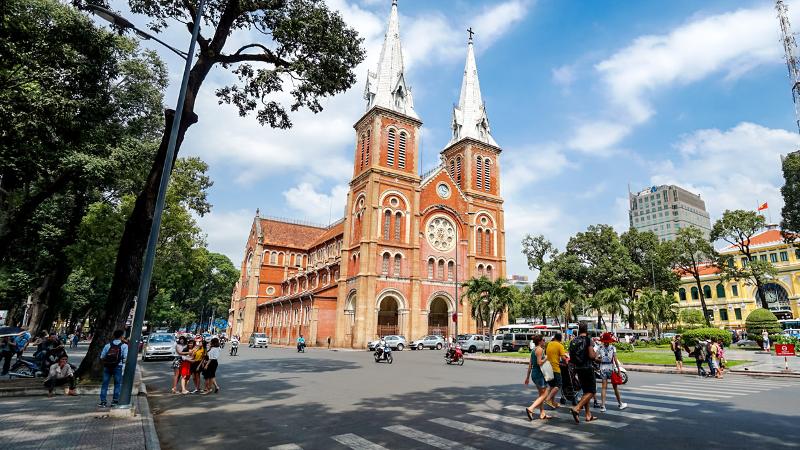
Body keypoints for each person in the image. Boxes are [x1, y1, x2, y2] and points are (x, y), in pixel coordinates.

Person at [569, 322, 598, 424]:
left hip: (578, 369)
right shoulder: (588, 340)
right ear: (586, 330)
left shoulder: (573, 340)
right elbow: (591, 356)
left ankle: (588, 415)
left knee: (586, 391)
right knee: (592, 391)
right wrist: (596, 354)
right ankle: (577, 408)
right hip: (587, 368)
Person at [596, 332, 628, 412]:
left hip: (603, 368)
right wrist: (619, 370)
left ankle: (603, 406)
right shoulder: (613, 348)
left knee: (604, 388)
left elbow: (595, 358)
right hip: (611, 368)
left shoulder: (600, 348)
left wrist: (601, 360)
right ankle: (620, 404)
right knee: (615, 387)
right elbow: (615, 360)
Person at [524, 334, 552, 421]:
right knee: (545, 393)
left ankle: (542, 413)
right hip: (539, 374)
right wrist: (546, 358)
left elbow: (530, 365)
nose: (544, 342)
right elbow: (539, 363)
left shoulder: (533, 350)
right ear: (539, 341)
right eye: (543, 340)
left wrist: (527, 377)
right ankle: (531, 408)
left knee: (541, 394)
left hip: (534, 374)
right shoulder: (539, 350)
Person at [99, 330, 128, 407]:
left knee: (105, 384)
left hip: (107, 367)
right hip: (118, 366)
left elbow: (102, 357)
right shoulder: (124, 346)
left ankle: (103, 402)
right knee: (117, 384)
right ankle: (115, 401)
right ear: (121, 336)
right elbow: (125, 357)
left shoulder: (108, 345)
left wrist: (108, 361)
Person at [544, 332, 567, 409]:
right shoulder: (560, 345)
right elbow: (563, 358)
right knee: (558, 385)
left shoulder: (549, 344)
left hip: (547, 367)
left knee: (552, 385)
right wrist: (566, 362)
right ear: (560, 339)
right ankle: (548, 399)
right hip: (555, 368)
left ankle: (553, 402)